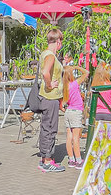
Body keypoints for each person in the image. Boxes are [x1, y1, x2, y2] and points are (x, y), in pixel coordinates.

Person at [36, 27, 65, 173]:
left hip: (47, 97)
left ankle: (44, 158)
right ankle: (47, 161)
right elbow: (45, 72)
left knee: (46, 126)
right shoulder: (50, 56)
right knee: (50, 128)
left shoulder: (45, 54)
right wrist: (49, 84)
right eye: (61, 41)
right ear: (58, 41)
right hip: (50, 96)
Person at [62, 57, 89, 168]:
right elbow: (86, 73)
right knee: (76, 138)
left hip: (68, 111)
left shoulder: (64, 87)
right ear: (70, 75)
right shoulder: (74, 84)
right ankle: (78, 160)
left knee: (69, 137)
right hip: (76, 111)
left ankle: (71, 159)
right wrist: (76, 67)